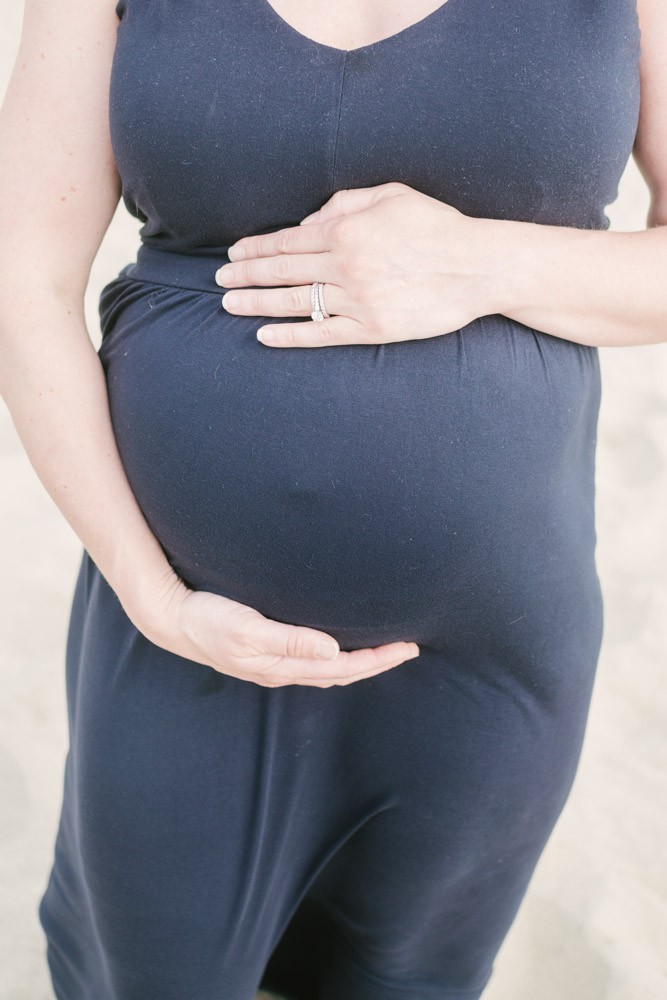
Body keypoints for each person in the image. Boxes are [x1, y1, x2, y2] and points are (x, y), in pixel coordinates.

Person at [0, 1, 664, 998]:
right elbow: (23, 282)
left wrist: (482, 263)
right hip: (179, 627)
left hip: (487, 647)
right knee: (150, 967)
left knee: (405, 973)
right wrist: (152, 596)